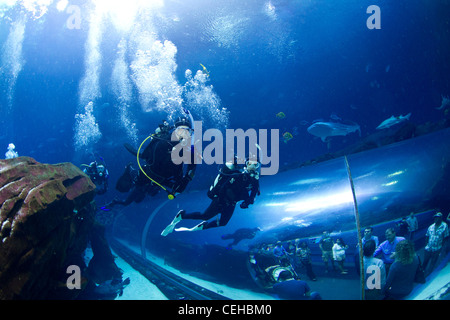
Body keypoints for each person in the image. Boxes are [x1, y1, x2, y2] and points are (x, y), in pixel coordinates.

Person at [104, 117, 197, 208]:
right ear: (175, 130)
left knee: (144, 196)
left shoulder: (189, 146)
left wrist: (186, 179)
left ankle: (144, 189)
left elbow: (192, 165)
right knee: (137, 185)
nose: (184, 134)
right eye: (180, 130)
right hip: (150, 173)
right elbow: (145, 156)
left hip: (164, 178)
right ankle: (129, 168)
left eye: (187, 131)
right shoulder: (164, 141)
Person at [161, 157, 260, 235]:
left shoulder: (254, 180)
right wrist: (221, 201)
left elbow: (253, 194)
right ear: (246, 165)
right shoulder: (237, 175)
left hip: (231, 204)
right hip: (221, 200)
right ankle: (182, 215)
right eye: (250, 164)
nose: (252, 166)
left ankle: (204, 226)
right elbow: (224, 188)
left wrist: (247, 202)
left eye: (255, 165)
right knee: (204, 216)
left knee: (223, 223)